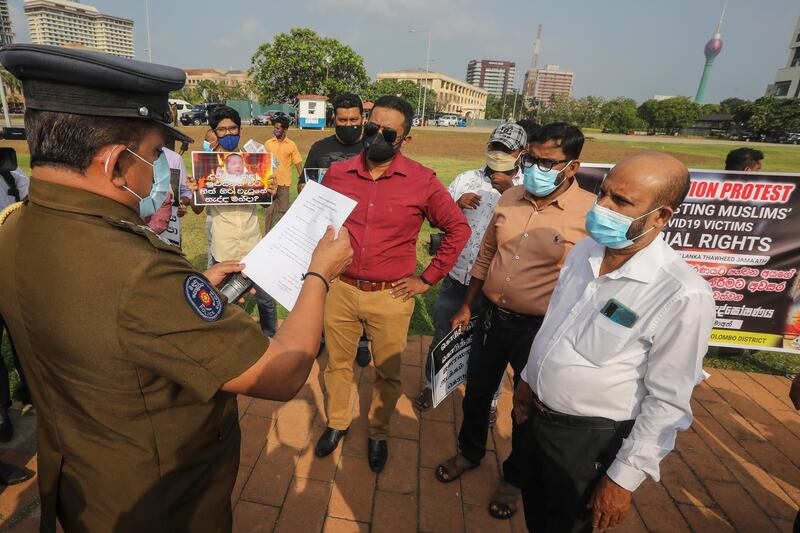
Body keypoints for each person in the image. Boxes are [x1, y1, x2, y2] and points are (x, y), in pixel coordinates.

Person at [0, 44, 352, 532]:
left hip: (84, 483)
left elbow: (97, 319)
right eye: (150, 155)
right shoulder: (138, 270)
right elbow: (282, 372)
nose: (156, 169)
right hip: (161, 503)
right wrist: (319, 274)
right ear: (114, 164)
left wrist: (187, 288)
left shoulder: (14, 227)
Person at [514, 152, 714, 532]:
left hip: (589, 443)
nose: (601, 205)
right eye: (603, 193)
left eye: (620, 202)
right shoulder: (586, 252)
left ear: (661, 216)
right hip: (537, 420)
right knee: (537, 516)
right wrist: (527, 379)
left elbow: (668, 400)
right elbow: (555, 322)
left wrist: (623, 478)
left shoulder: (682, 294)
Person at [436, 123, 595, 521]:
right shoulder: (509, 198)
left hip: (541, 330)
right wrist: (468, 304)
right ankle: (470, 452)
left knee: (526, 408)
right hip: (492, 316)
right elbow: (486, 254)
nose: (537, 168)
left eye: (548, 162)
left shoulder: (589, 213)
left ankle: (514, 478)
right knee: (477, 393)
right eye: (532, 159)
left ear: (572, 167)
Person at [315, 95, 470, 472]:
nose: (376, 137)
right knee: (336, 364)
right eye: (372, 128)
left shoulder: (422, 181)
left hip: (391, 296)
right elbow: (316, 223)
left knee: (387, 371)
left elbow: (457, 228)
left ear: (405, 139)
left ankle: (378, 432)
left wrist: (427, 279)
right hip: (342, 289)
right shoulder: (338, 174)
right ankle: (337, 423)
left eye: (388, 132)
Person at [413, 123, 527, 415]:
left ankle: (489, 400)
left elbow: (530, 231)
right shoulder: (466, 179)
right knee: (443, 335)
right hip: (457, 278)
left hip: (495, 285)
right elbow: (437, 221)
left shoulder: (527, 189)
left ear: (520, 153)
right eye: (495, 147)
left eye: (506, 150)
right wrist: (456, 203)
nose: (499, 154)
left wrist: (512, 194)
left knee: (493, 348)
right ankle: (430, 384)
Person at [301, 93, 373, 367]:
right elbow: (303, 183)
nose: (348, 124)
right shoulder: (320, 148)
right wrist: (309, 192)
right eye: (342, 119)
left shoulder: (372, 146)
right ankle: (318, 336)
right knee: (324, 282)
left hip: (363, 230)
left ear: (362, 119)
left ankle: (363, 340)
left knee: (362, 285)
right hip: (328, 230)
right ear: (334, 119)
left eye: (354, 119)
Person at [199, 106, 278, 337]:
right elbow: (196, 208)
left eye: (232, 128)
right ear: (214, 133)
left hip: (254, 246)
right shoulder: (207, 166)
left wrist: (269, 191)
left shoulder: (255, 164)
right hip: (223, 247)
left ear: (240, 130)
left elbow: (264, 204)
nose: (228, 133)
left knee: (265, 301)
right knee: (223, 302)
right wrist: (197, 191)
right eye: (221, 130)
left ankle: (270, 339)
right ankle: (226, 342)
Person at [0, 162, 32, 442]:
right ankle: (2, 416)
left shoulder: (10, 174)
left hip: (11, 273)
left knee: (23, 338)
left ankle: (30, 389)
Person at [264, 115, 303, 232]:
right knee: (269, 212)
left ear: (285, 129)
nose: (275, 130)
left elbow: (298, 163)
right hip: (269, 183)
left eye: (278, 128)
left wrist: (303, 180)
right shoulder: (268, 143)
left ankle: (281, 238)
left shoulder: (291, 145)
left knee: (284, 213)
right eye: (274, 128)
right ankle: (267, 239)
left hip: (284, 184)